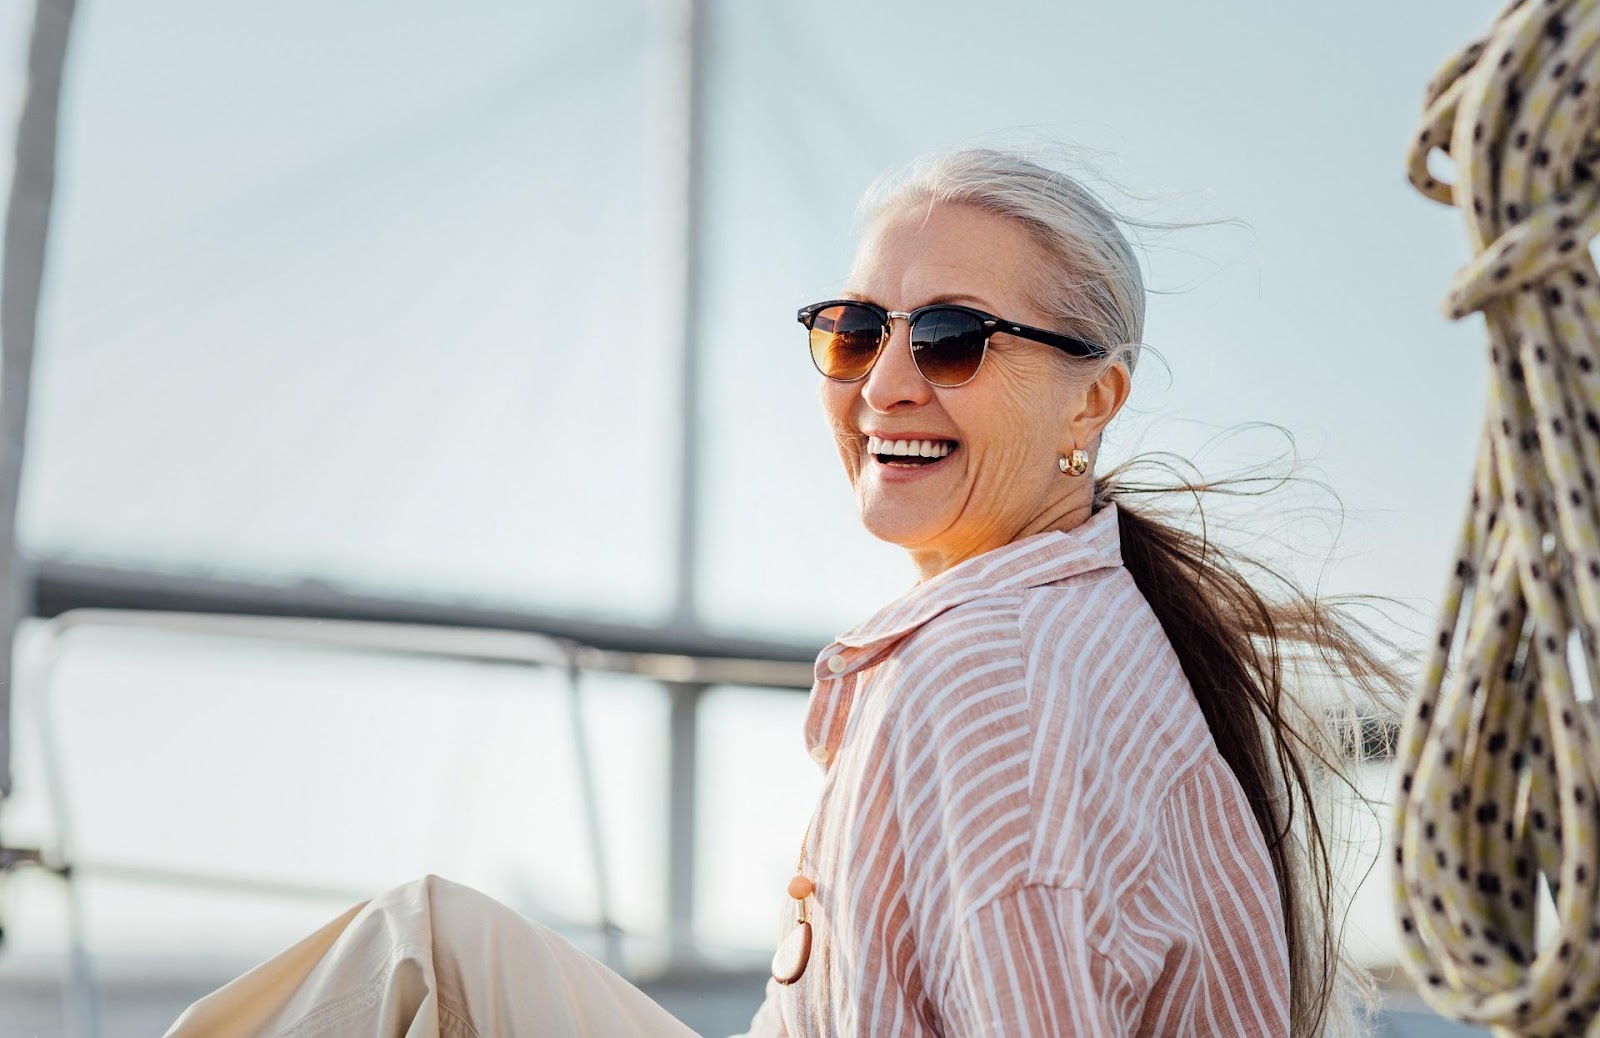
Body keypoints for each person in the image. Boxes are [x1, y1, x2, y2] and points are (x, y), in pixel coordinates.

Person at [164, 147, 1411, 1038]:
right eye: (857, 330)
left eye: (953, 338)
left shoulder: (986, 673)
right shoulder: (1079, 622)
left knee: (408, 965)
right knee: (428, 944)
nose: (884, 386)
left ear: (1093, 397)